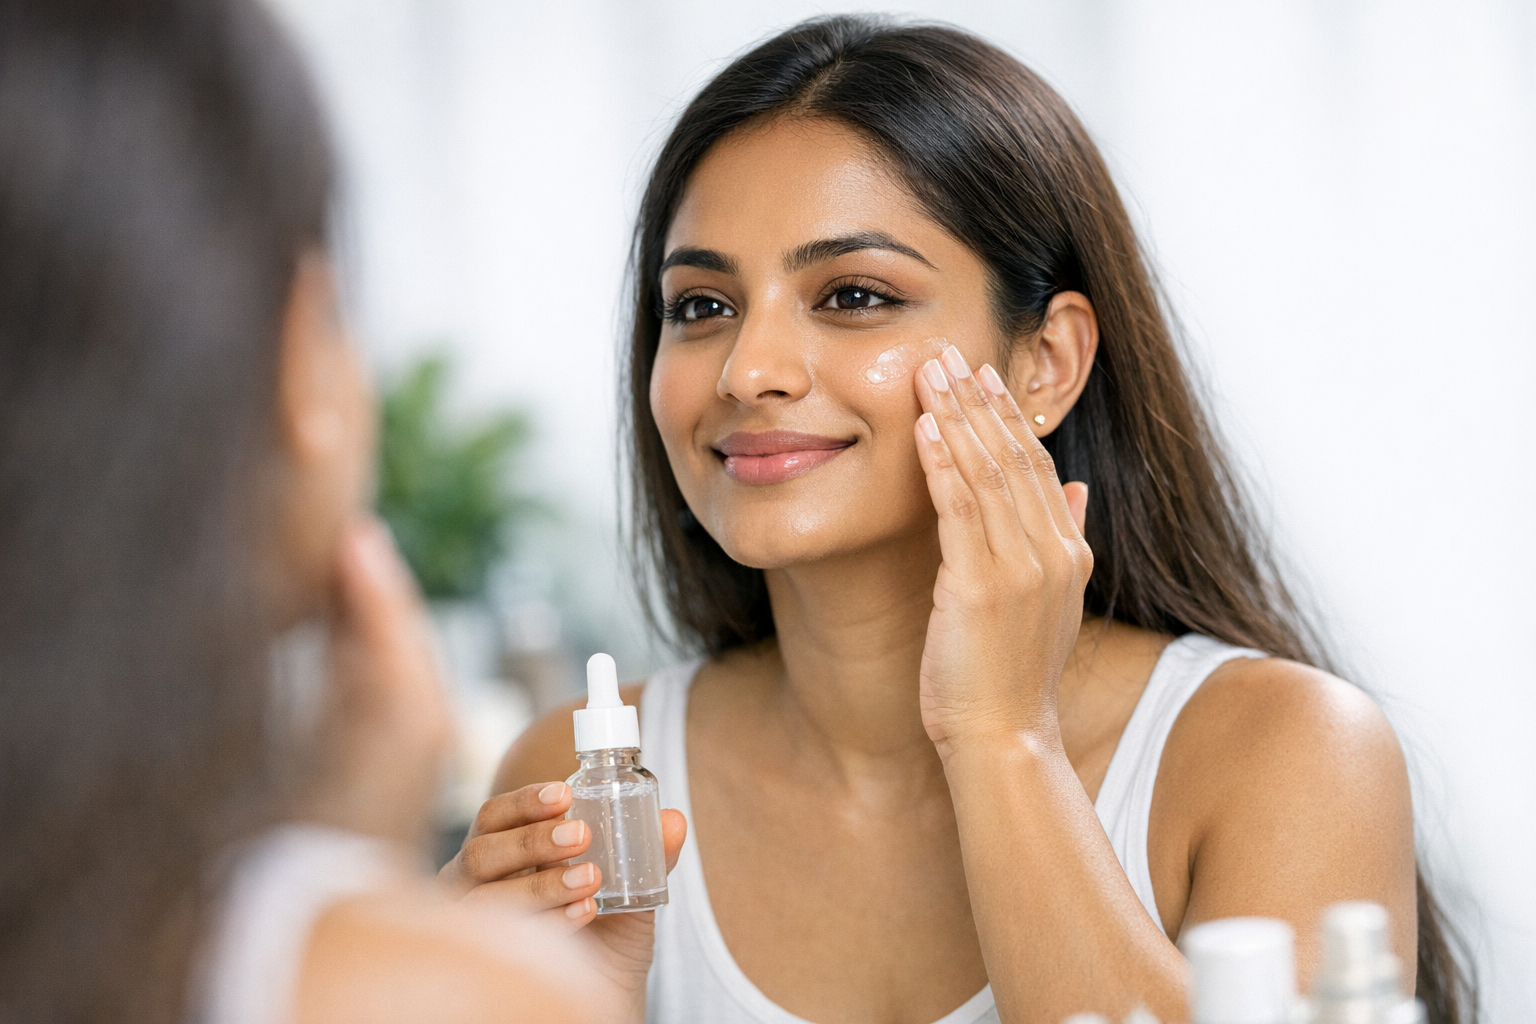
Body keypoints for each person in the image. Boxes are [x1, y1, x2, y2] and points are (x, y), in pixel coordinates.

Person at [450, 15, 1475, 1024]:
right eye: (701, 306)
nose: (747, 371)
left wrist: (1002, 737)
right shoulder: (575, 785)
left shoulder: (1289, 756)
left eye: (854, 295)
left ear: (1047, 363)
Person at [0, 1, 676, 1021]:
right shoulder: (430, 990)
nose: (754, 372)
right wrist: (338, 897)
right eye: (697, 308)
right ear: (301, 354)